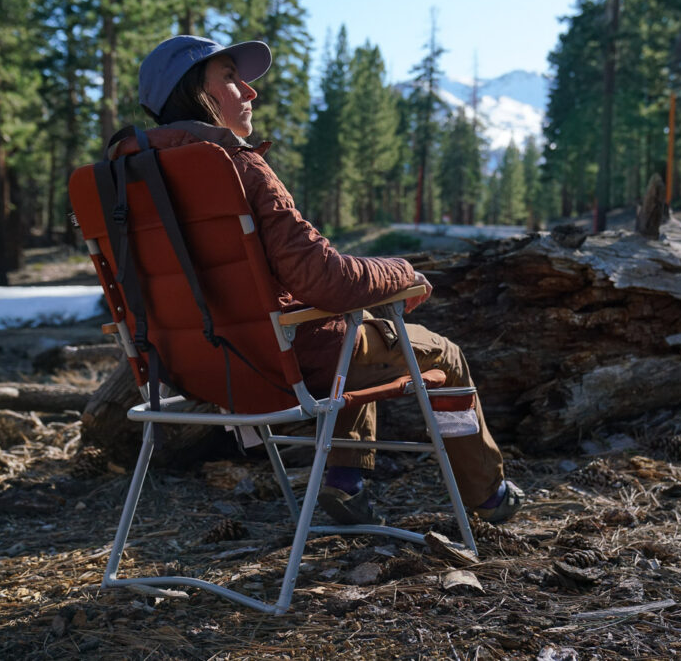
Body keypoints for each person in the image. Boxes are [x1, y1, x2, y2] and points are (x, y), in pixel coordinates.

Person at [134, 35, 523, 524]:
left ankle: (344, 483)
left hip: (191, 370)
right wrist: (402, 273)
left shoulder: (126, 182)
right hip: (280, 362)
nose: (251, 92)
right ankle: (488, 495)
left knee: (354, 336)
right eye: (231, 78)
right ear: (194, 93)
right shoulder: (236, 168)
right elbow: (326, 281)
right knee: (438, 354)